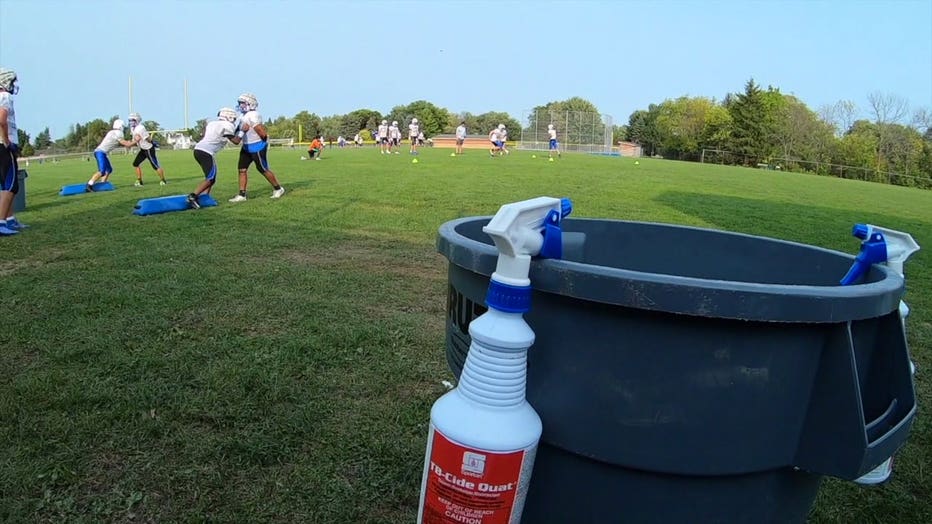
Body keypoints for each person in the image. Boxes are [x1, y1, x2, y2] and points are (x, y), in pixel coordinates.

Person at [229, 92, 285, 202]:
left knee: (262, 169)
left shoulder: (253, 114)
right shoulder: (243, 116)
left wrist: (263, 142)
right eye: (240, 103)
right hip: (246, 147)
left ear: (250, 103)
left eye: (243, 103)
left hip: (257, 146)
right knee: (242, 169)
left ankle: (278, 188)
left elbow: (260, 131)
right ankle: (242, 195)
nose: (241, 105)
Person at [186, 107, 244, 209]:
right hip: (206, 151)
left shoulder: (213, 123)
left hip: (198, 149)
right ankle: (193, 196)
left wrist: (238, 128)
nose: (234, 120)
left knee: (209, 176)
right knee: (211, 178)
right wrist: (242, 131)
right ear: (228, 117)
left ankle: (205, 197)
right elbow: (236, 141)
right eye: (233, 118)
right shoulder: (227, 125)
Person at [0, 67, 23, 235]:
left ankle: (9, 219)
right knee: (11, 185)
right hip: (3, 146)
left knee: (4, 185)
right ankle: (1, 222)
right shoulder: (5, 96)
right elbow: (2, 119)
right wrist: (7, 141)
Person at [86, 118, 135, 191]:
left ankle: (103, 183)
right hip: (101, 152)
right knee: (102, 171)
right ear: (121, 126)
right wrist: (135, 141)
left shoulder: (111, 132)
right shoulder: (118, 133)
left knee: (109, 170)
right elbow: (126, 144)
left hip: (101, 152)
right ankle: (89, 184)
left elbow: (123, 143)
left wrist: (129, 143)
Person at [126, 112, 168, 186]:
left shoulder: (141, 128)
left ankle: (163, 180)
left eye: (132, 120)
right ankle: (139, 180)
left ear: (137, 120)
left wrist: (153, 142)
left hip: (148, 148)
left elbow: (147, 138)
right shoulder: (133, 128)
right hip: (143, 149)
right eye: (130, 120)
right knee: (136, 163)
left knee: (155, 165)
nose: (130, 122)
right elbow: (135, 139)